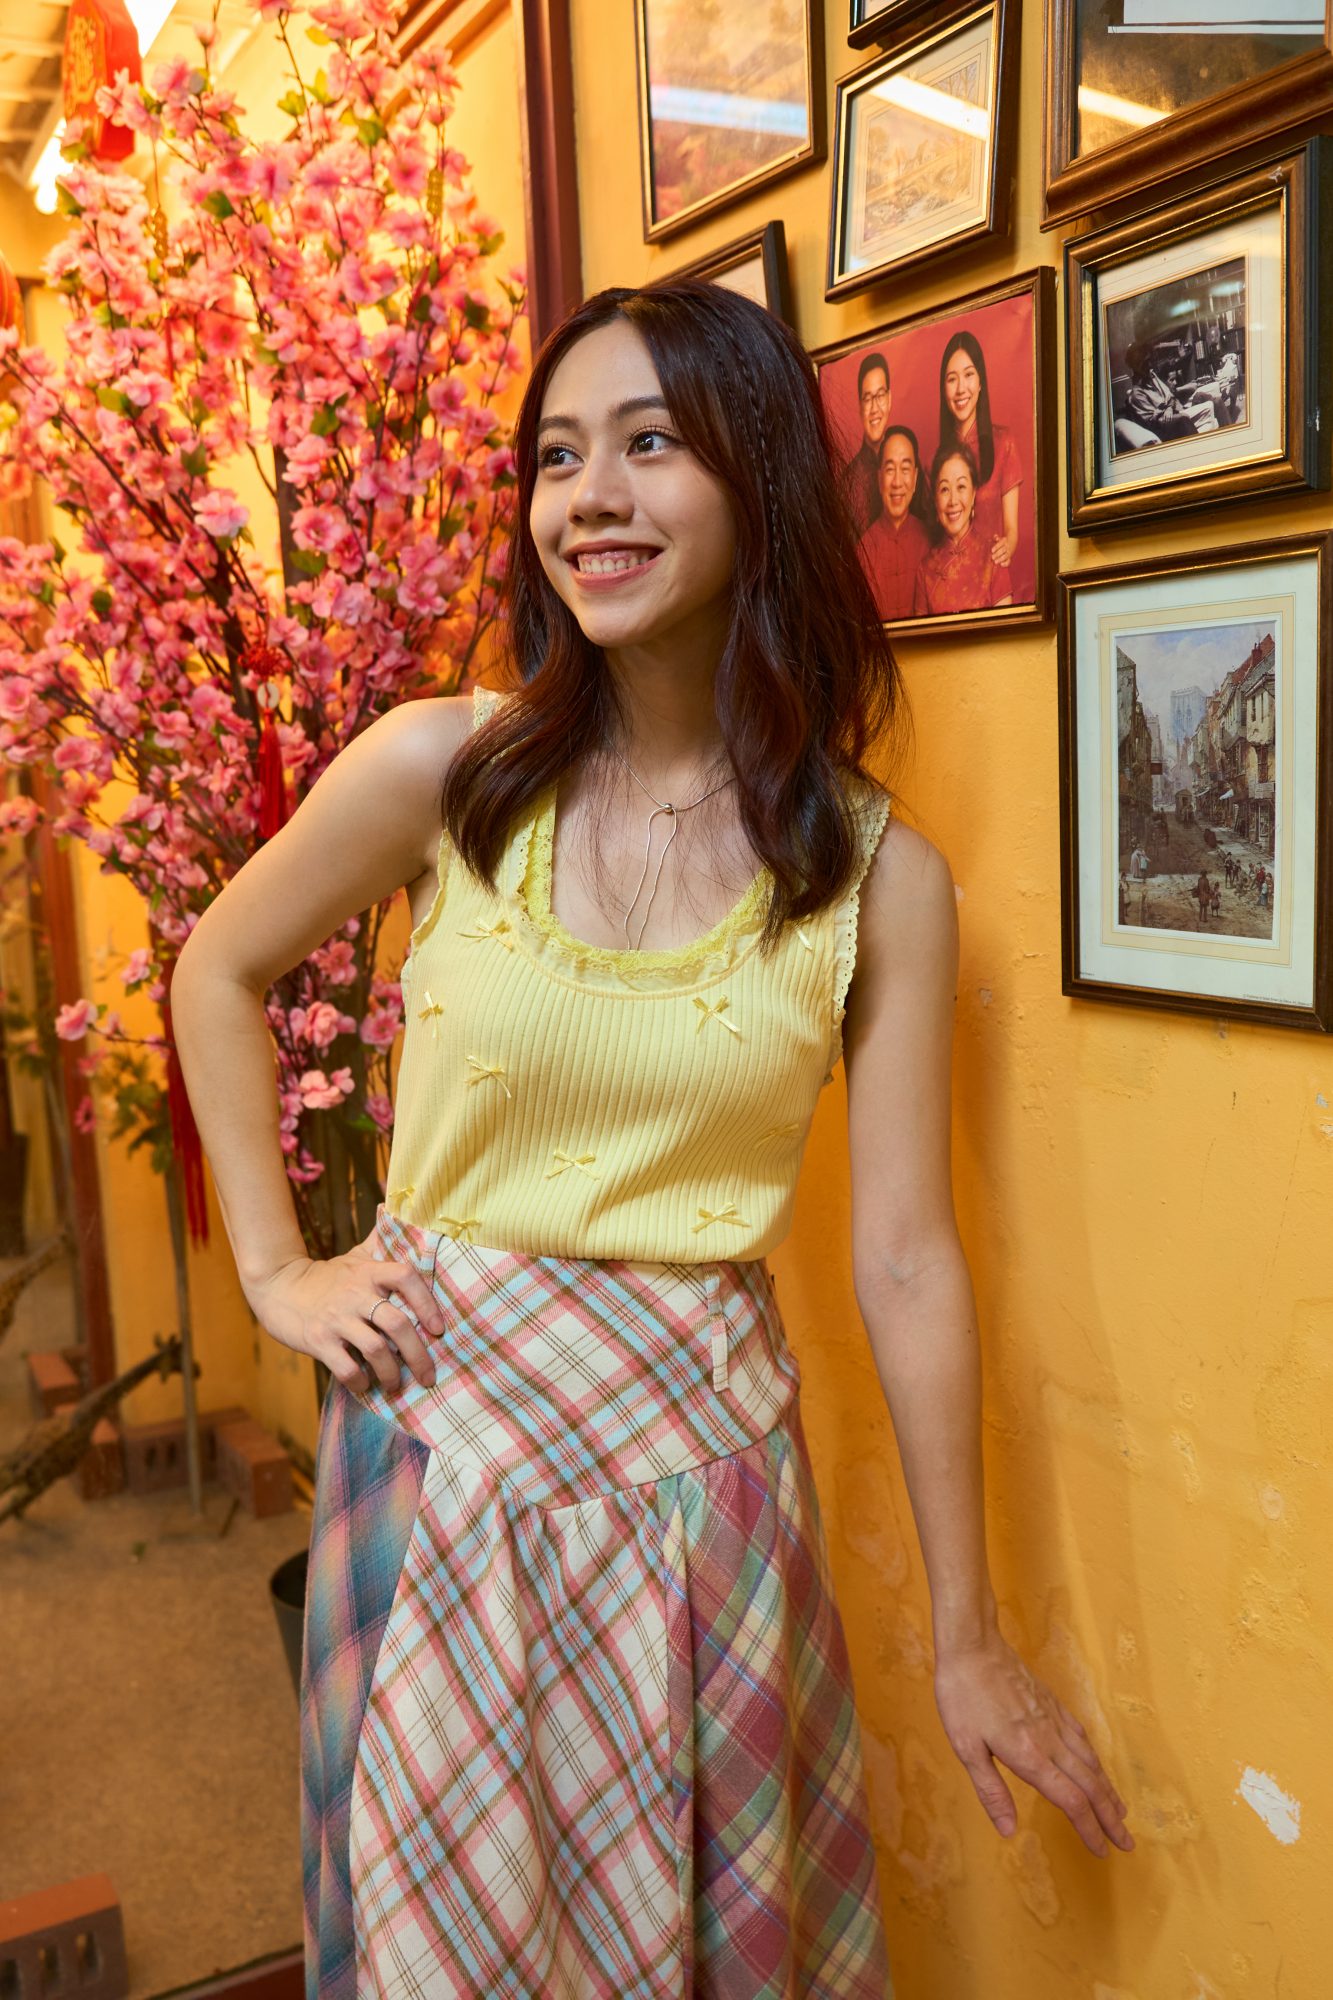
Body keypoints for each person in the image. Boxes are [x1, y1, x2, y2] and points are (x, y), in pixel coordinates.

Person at [171, 277, 1131, 1999]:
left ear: (756, 479)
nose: (587, 500)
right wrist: (271, 1271)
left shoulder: (874, 878)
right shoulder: (443, 768)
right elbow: (216, 968)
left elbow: (906, 1258)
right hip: (443, 1450)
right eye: (556, 458)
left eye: (646, 445)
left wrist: (969, 1638)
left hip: (707, 1489)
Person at [937, 330, 1022, 570]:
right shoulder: (937, 459)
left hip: (990, 574)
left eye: (968, 375)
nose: (960, 389)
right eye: (951, 379)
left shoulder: (1004, 443)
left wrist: (1006, 547)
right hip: (950, 578)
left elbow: (1012, 531)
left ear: (981, 381)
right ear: (943, 389)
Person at [914, 442, 1014, 617]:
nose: (953, 500)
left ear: (974, 493)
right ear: (935, 500)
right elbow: (921, 634)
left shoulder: (994, 557)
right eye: (944, 489)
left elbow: (1007, 630)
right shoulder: (925, 570)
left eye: (961, 487)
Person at [857, 422, 929, 620]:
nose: (897, 482)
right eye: (890, 469)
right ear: (879, 478)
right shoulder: (862, 550)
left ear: (915, 478)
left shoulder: (931, 543)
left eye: (905, 469)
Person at [841, 348, 891, 536]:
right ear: (860, 406)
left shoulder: (908, 462)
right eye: (867, 398)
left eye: (880, 396)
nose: (874, 408)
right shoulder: (850, 482)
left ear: (890, 399)